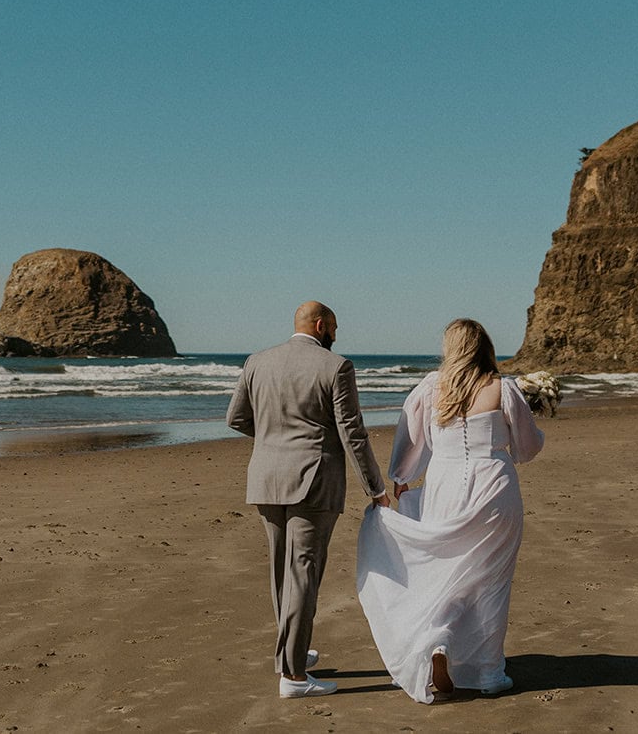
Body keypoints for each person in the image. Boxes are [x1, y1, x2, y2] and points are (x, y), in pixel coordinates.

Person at [355, 318, 545, 703]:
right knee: (491, 579)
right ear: (484, 347)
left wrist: (401, 478)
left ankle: (438, 641)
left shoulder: (430, 388)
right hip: (493, 487)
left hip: (443, 486)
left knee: (447, 572)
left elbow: (410, 440)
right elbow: (527, 448)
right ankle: (489, 673)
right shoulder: (503, 388)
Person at [227, 301, 390, 699]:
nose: (336, 335)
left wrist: (273, 442)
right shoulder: (336, 366)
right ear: (320, 326)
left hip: (266, 477)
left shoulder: (257, 361)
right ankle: (295, 677)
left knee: (282, 573)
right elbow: (352, 433)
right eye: (333, 328)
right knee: (302, 574)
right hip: (313, 481)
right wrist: (376, 488)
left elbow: (236, 418)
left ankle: (290, 654)